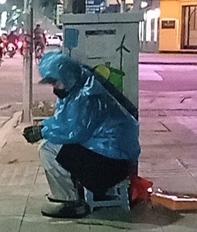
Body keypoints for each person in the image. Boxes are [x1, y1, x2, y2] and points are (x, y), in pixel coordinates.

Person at [22, 52, 141, 218]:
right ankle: (71, 194)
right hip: (113, 154)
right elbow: (64, 119)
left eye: (56, 83)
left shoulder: (87, 95)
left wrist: (42, 132)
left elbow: (75, 131)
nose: (55, 88)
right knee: (52, 145)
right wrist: (43, 126)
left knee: (48, 150)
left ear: (67, 76)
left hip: (112, 163)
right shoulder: (82, 84)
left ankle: (70, 202)